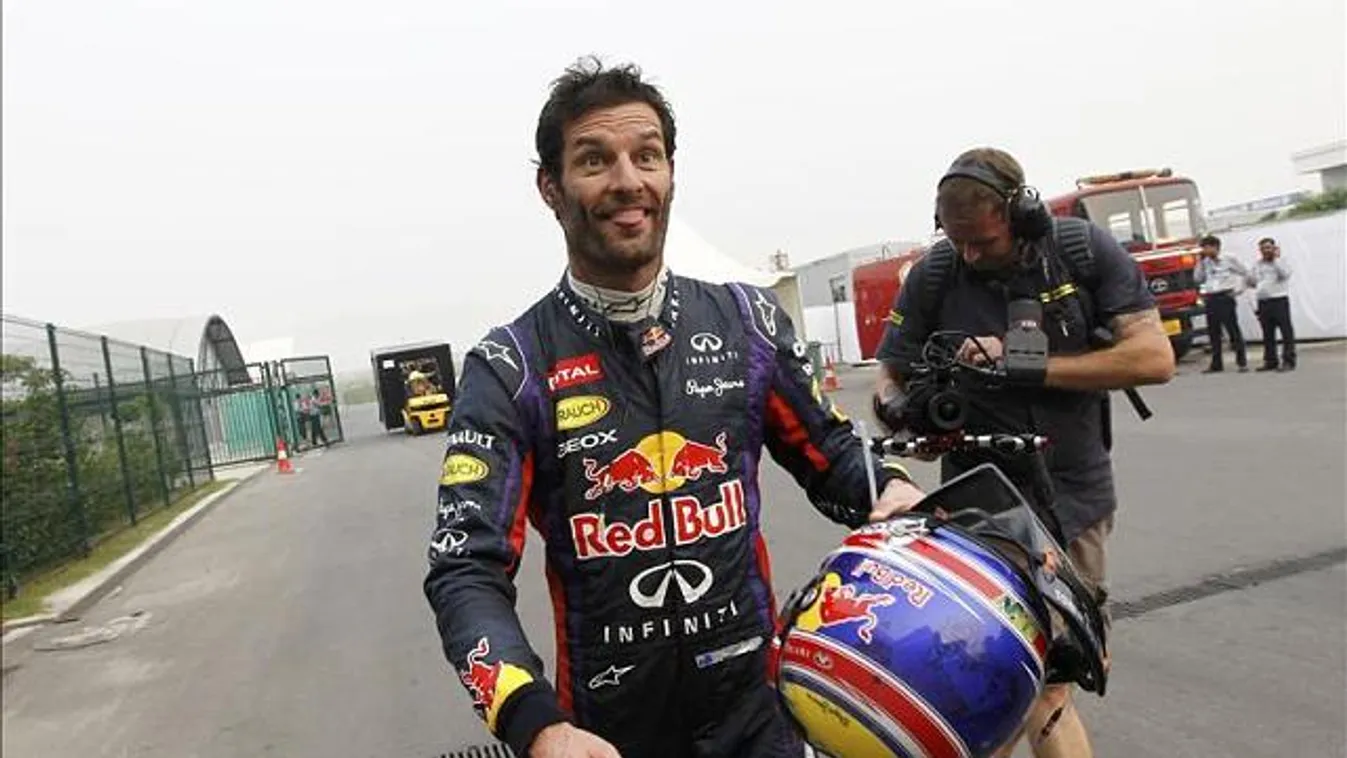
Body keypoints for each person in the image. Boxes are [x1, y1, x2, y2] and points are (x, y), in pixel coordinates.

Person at [422, 57, 925, 758]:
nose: (627, 180)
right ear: (550, 187)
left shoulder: (747, 322)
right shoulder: (511, 366)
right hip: (605, 738)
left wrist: (889, 488)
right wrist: (535, 724)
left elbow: (832, 455)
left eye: (647, 156)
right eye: (594, 160)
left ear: (670, 173)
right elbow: (465, 568)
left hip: (762, 722)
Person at [871, 147, 1175, 758]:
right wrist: (905, 414)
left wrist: (1022, 363)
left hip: (1073, 497)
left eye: (982, 241)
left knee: (1051, 682)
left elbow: (1153, 358)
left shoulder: (1081, 251)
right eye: (956, 240)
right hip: (976, 503)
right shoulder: (936, 273)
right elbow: (889, 377)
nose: (969, 255)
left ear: (1021, 213)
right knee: (984, 678)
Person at [1195, 234, 1251, 373]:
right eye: (1203, 248)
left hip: (1225, 296)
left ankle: (1242, 361)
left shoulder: (1229, 259)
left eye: (1207, 247)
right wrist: (1199, 262)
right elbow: (1198, 279)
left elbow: (1245, 272)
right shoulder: (1205, 262)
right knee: (1214, 332)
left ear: (1216, 247)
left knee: (1232, 330)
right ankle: (1216, 364)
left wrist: (1239, 290)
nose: (1205, 251)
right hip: (1211, 297)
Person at [1246, 236, 1296, 372]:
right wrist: (1250, 279)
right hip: (1263, 301)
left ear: (1274, 248)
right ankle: (1270, 360)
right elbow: (1252, 282)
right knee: (1267, 333)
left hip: (1279, 300)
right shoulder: (1257, 264)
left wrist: (1275, 259)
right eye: (1263, 248)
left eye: (1268, 248)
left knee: (1286, 331)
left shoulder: (1281, 261)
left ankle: (1288, 360)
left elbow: (1285, 274)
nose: (1265, 251)